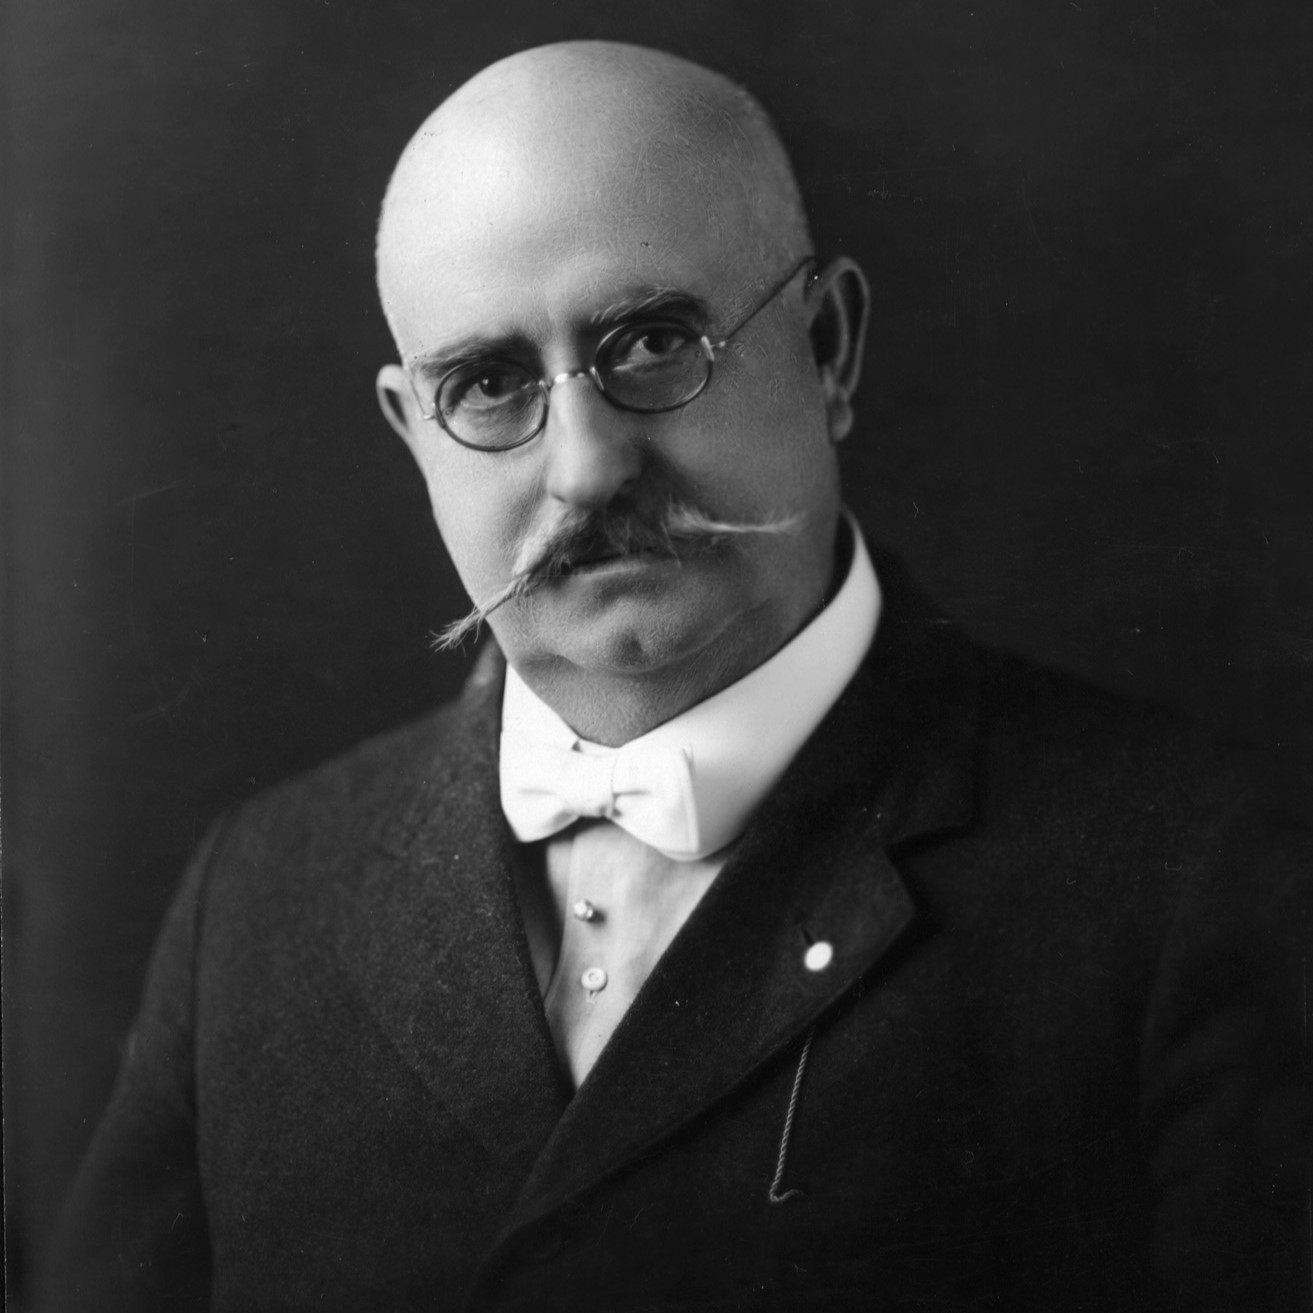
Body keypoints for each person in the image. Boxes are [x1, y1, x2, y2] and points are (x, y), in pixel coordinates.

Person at [40, 40, 1309, 1313]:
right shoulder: (253, 897)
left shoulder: (1197, 873)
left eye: (652, 342)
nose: (585, 467)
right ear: (414, 433)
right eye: (487, 385)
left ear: (826, 347)